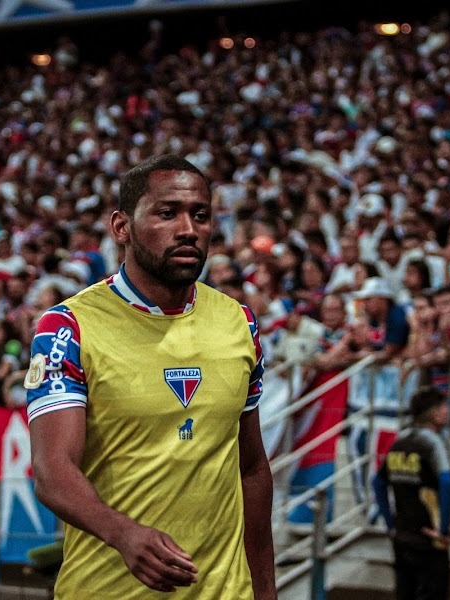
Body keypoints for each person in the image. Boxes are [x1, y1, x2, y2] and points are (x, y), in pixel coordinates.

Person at [26, 155, 276, 600]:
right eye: (167, 213)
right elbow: (52, 470)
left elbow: (252, 468)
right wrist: (123, 534)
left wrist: (265, 593)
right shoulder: (68, 328)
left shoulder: (239, 323)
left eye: (200, 215)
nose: (188, 229)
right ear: (122, 227)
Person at [373, 387, 450, 600]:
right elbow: (447, 481)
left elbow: (377, 482)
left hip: (402, 534)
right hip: (429, 537)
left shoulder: (400, 440)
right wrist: (443, 529)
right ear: (435, 413)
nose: (447, 411)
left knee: (404, 592)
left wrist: (391, 524)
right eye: (444, 406)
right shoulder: (433, 442)